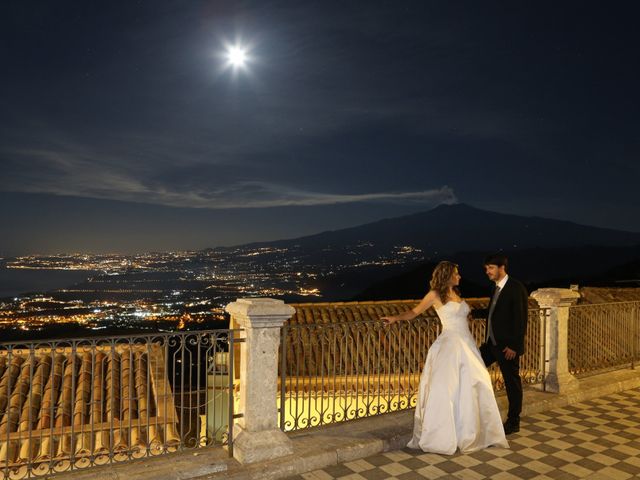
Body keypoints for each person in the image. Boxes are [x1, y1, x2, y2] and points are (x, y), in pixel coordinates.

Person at [381, 261, 508, 455]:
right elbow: (415, 312)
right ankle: (445, 435)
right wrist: (395, 318)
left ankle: (470, 432)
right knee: (448, 390)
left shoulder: (456, 294)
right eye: (456, 274)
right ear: (447, 275)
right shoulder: (434, 295)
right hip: (450, 345)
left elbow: (462, 316)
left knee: (474, 386)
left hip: (467, 345)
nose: (459, 277)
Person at [479, 253, 529, 435]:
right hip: (491, 344)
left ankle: (514, 421)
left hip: (507, 347)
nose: (487, 272)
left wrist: (515, 347)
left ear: (502, 268)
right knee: (472, 365)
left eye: (491, 268)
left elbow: (521, 319)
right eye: (486, 269)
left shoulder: (516, 288)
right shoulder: (495, 288)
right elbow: (494, 313)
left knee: (512, 383)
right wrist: (473, 314)